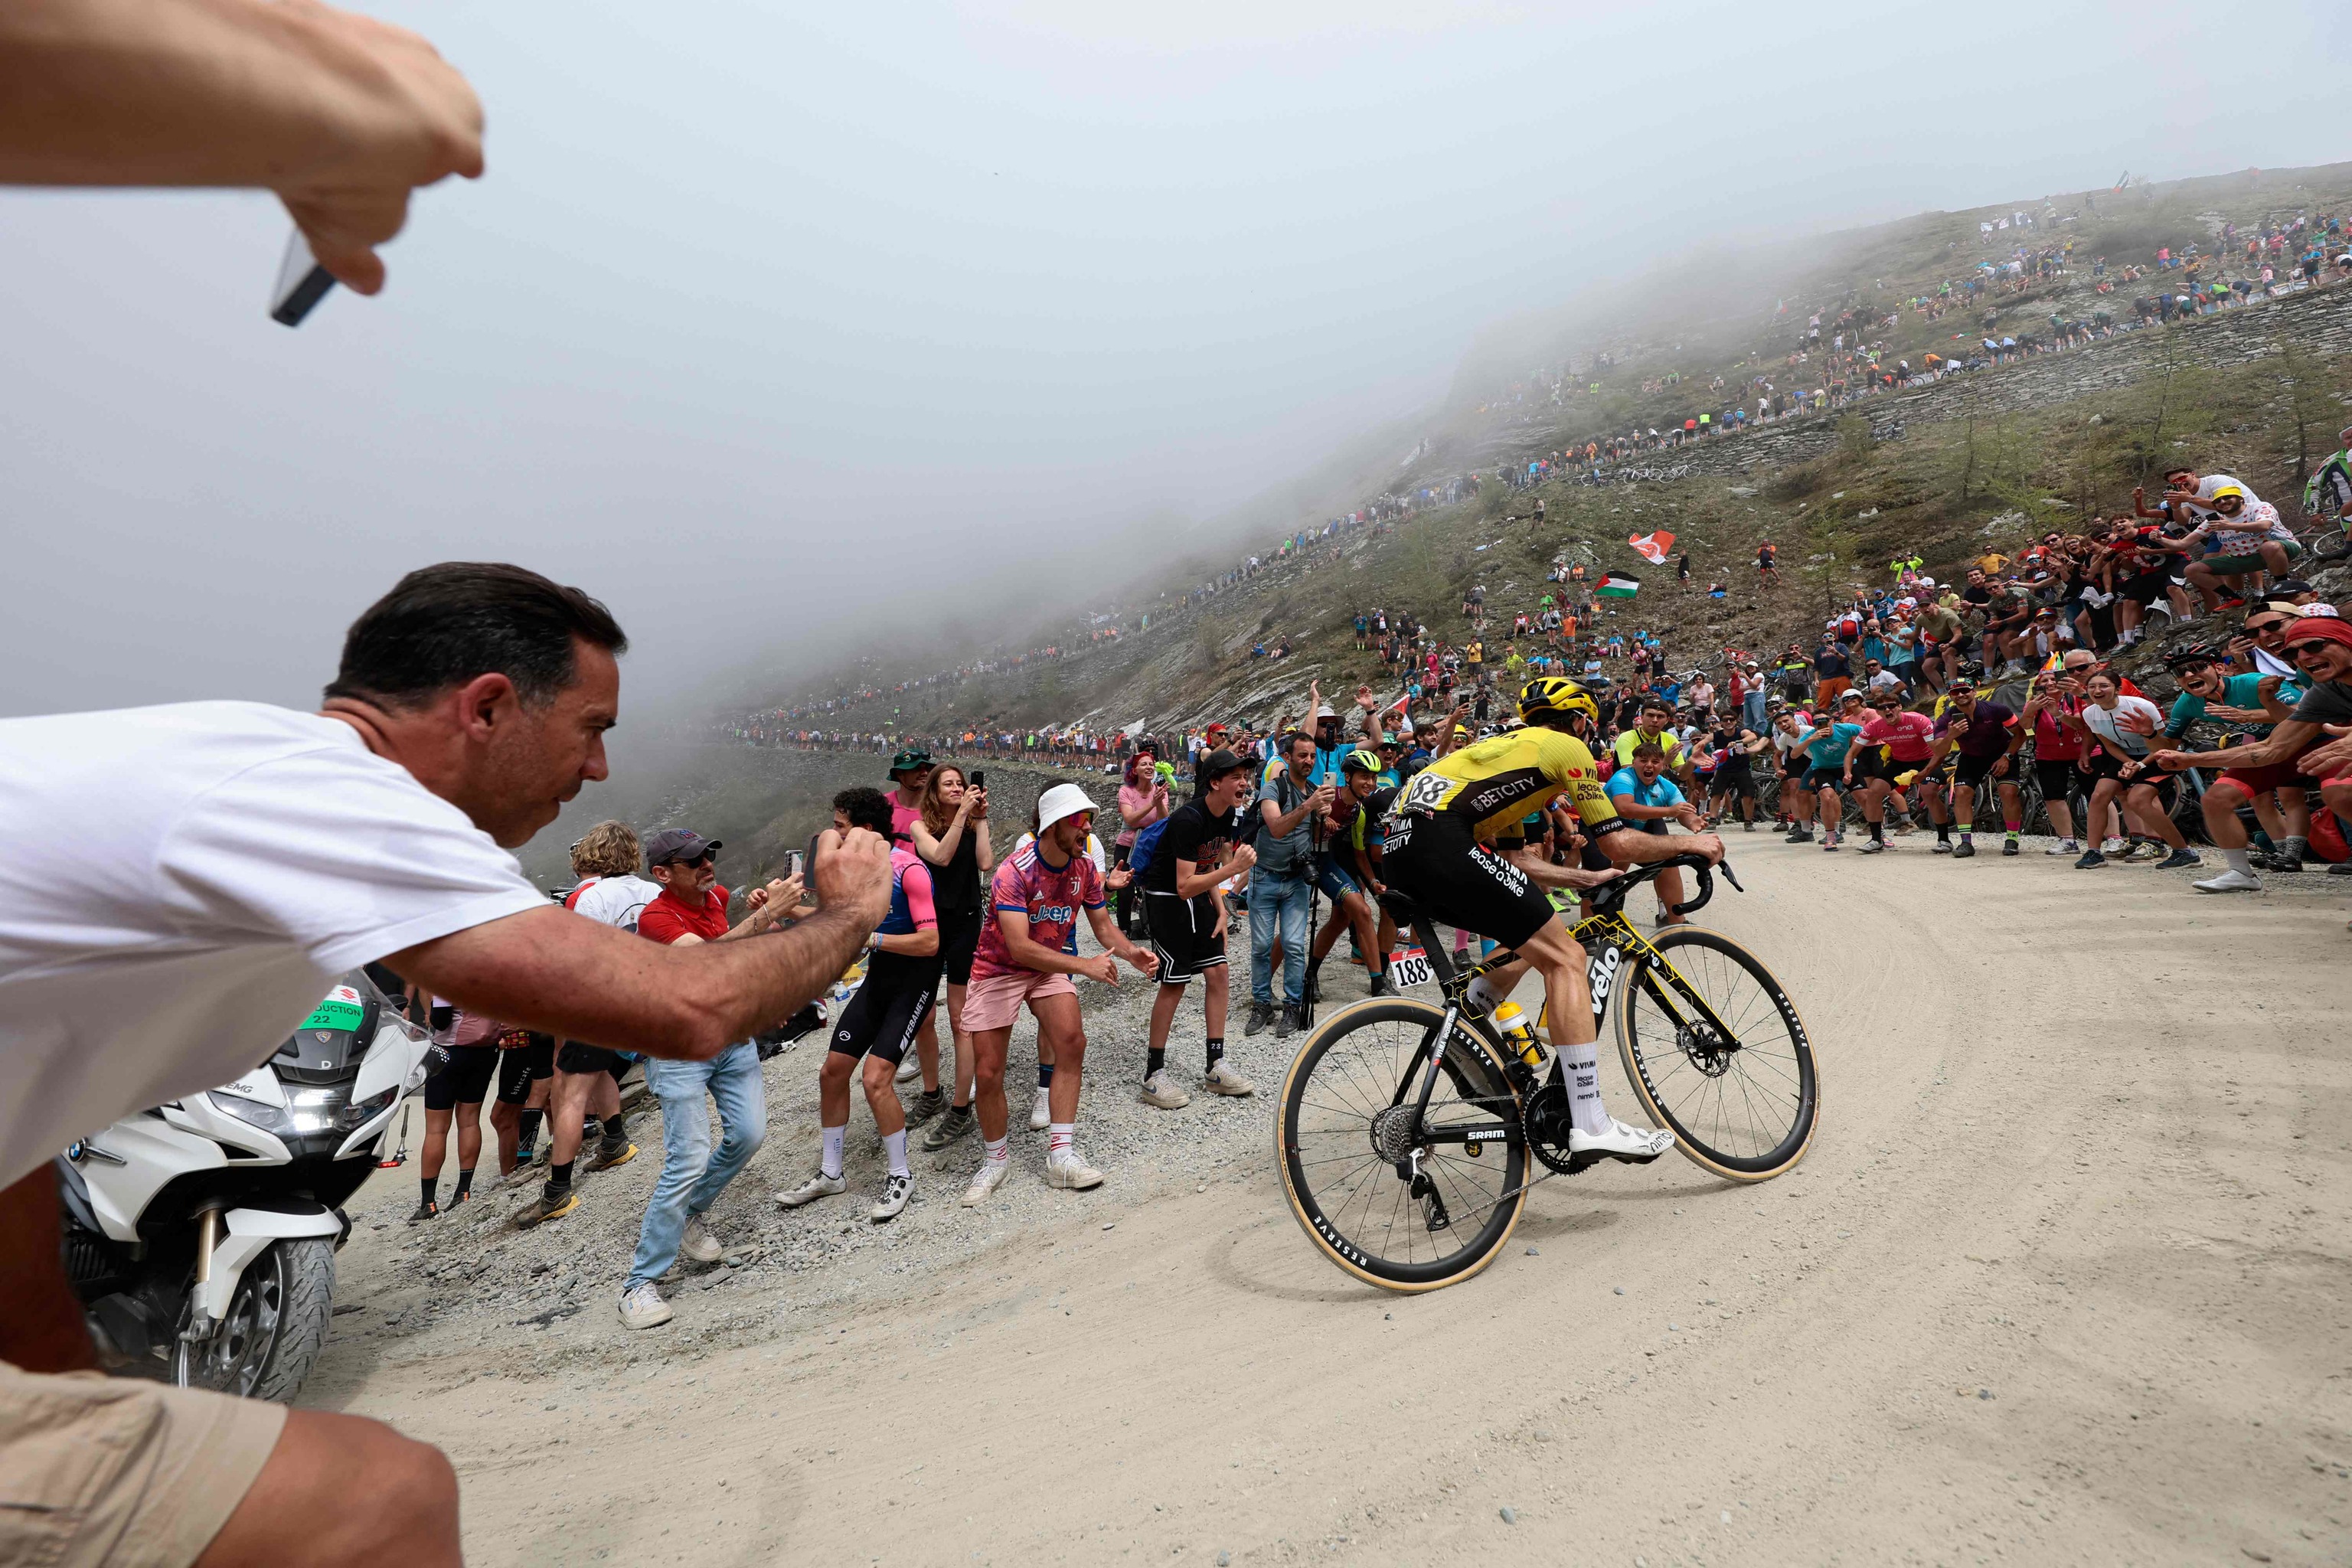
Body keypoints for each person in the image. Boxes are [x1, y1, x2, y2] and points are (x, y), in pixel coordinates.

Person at [0, 562, 890, 1568]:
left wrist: (66, 1386)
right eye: (593, 727)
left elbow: (20, 1132)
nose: (598, 768)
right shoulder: (332, 796)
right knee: (384, 1503)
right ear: (490, 707)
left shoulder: (241, 765)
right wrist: (854, 909)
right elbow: (692, 1008)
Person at [1380, 677, 1720, 1164]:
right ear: (1581, 722)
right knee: (1567, 957)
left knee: (1531, 939)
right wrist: (1691, 843)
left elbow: (1516, 859)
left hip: (1401, 851)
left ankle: (1466, 1030)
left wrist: (1577, 879)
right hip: (1443, 842)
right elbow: (1620, 842)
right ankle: (1590, 1121)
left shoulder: (1507, 751)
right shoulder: (1565, 747)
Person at [619, 826, 812, 1328]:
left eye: (708, 854)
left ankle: (688, 1213)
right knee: (687, 1157)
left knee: (749, 1134)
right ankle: (640, 1284)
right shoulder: (655, 916)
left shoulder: (718, 897)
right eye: (693, 860)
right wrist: (766, 915)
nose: (708, 864)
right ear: (662, 873)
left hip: (729, 1038)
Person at [957, 784, 1155, 1204]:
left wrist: (1134, 953)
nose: (1086, 828)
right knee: (989, 1072)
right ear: (1051, 826)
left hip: (1047, 967)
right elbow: (1018, 946)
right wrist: (1084, 966)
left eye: (1087, 819)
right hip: (999, 970)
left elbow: (1103, 927)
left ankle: (1061, 1156)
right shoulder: (1014, 872)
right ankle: (996, 1161)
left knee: (1071, 1042)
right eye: (1077, 820)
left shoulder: (1084, 869)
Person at [776, 789, 943, 1223]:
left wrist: (873, 939)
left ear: (866, 831)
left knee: (876, 1080)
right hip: (881, 979)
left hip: (915, 980)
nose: (834, 834)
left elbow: (930, 943)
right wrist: (781, 908)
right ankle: (832, 1172)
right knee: (832, 1072)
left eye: (840, 826)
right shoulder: (852, 874)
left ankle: (901, 1175)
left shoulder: (910, 870)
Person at [511, 822, 657, 1228]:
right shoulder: (654, 891)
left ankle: (557, 1191)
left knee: (568, 1089)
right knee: (598, 1072)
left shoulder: (588, 896)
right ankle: (614, 1141)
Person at [1137, 749, 1261, 1109]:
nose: (1243, 782)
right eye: (1235, 776)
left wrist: (1222, 910)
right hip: (1166, 897)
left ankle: (1215, 1066)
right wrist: (1233, 869)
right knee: (1174, 983)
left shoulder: (1227, 815)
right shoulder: (1189, 819)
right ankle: (1153, 1074)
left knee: (1219, 972)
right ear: (1215, 782)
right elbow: (1183, 885)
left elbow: (1207, 867)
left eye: (1246, 776)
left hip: (1197, 894)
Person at [910, 763, 991, 1153]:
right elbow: (939, 858)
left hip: (965, 926)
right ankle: (932, 1093)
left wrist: (982, 819)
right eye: (950, 784)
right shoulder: (919, 828)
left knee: (961, 1020)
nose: (959, 788)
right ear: (934, 792)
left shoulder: (971, 822)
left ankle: (960, 1108)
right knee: (924, 1016)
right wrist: (963, 817)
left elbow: (985, 863)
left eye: (962, 783)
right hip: (927, 926)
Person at [2062, 676, 2199, 872]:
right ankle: (2093, 852)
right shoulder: (2090, 713)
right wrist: (2128, 761)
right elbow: (2108, 744)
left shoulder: (2141, 706)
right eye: (2092, 687)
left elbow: (2166, 744)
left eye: (2104, 686)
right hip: (2124, 755)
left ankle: (2184, 852)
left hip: (2157, 755)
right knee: (2099, 795)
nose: (2097, 690)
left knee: (2138, 799)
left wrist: (2141, 765)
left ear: (2117, 689)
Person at [1246, 730, 1333, 1037]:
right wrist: (1309, 806)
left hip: (1297, 880)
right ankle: (1261, 1004)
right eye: (1302, 755)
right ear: (1288, 757)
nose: (1308, 761)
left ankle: (1293, 1007)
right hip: (1265, 877)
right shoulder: (1272, 788)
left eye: (1312, 756)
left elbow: (1321, 834)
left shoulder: (1313, 791)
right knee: (1260, 946)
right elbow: (1277, 827)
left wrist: (1327, 817)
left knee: (1295, 946)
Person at [1605, 742, 1703, 923]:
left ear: (1662, 765)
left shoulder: (1666, 786)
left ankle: (1676, 920)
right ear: (1634, 762)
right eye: (1643, 761)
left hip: (1637, 829)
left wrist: (1693, 822)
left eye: (1655, 762)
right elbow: (1625, 808)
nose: (1649, 765)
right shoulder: (1623, 778)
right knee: (1613, 870)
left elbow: (1682, 810)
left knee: (1669, 864)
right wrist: (1668, 811)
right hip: (1608, 828)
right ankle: (1605, 919)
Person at [1925, 681, 2024, 858]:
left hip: (2002, 753)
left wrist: (2007, 757)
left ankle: (2012, 839)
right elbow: (1939, 751)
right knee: (1962, 793)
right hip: (1971, 757)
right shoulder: (1947, 719)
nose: (1961, 695)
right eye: (1956, 692)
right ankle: (1966, 842)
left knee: (2008, 792)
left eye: (1965, 691)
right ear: (1950, 697)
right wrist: (1951, 736)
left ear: (1974, 692)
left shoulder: (1996, 709)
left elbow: (2020, 733)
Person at [1845, 691, 1934, 853]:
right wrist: (1847, 772)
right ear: (1879, 711)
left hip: (1919, 757)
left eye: (1891, 706)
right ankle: (1877, 838)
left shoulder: (1915, 719)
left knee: (1925, 793)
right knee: (1873, 792)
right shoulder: (1857, 720)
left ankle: (1930, 832)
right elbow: (1851, 751)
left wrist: (1927, 770)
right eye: (1882, 708)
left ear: (1900, 707)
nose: (1887, 710)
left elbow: (1936, 748)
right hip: (1894, 759)